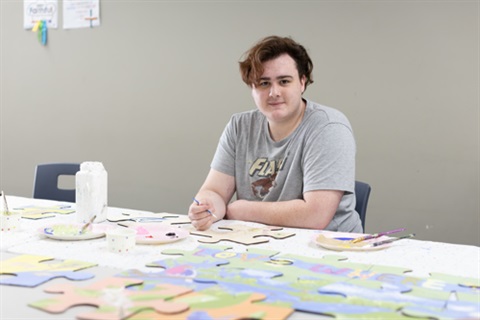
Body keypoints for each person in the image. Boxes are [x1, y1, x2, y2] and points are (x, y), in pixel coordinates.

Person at [188, 35, 362, 233]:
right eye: (263, 83)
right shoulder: (240, 126)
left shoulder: (329, 127)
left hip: (328, 249)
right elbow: (215, 191)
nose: (274, 92)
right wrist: (209, 206)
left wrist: (242, 210)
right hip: (261, 243)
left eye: (284, 81)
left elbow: (315, 215)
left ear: (302, 82)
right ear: (252, 89)